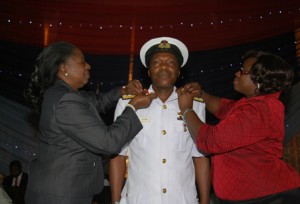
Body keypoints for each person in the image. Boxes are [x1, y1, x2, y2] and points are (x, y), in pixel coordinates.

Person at [23, 41, 157, 204]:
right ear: (63, 68)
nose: (88, 66)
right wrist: (133, 106)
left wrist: (123, 91)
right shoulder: (66, 100)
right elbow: (108, 142)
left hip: (62, 191)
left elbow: (98, 102)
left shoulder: (64, 94)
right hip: (60, 196)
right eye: (82, 61)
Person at [176, 50, 300, 204]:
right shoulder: (256, 104)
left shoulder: (260, 110)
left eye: (243, 71)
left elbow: (210, 141)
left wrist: (187, 109)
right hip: (252, 195)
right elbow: (224, 108)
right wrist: (202, 95)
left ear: (258, 81)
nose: (237, 73)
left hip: (267, 196)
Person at [109, 37, 210, 204]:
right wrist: (115, 201)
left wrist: (205, 202)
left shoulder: (194, 104)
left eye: (171, 63)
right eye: (157, 62)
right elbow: (118, 156)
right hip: (139, 199)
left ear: (179, 72)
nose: (164, 66)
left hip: (182, 199)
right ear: (148, 71)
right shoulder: (128, 103)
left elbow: (200, 156)